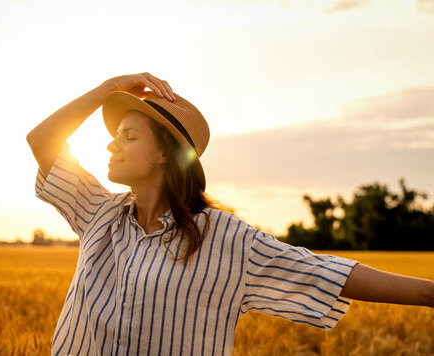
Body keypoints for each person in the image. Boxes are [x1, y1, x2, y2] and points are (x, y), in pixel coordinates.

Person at [26, 72, 434, 356]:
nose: (113, 146)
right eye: (115, 137)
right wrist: (108, 88)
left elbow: (327, 272)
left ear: (165, 152)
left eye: (129, 137)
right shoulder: (99, 214)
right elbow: (41, 140)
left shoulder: (225, 238)